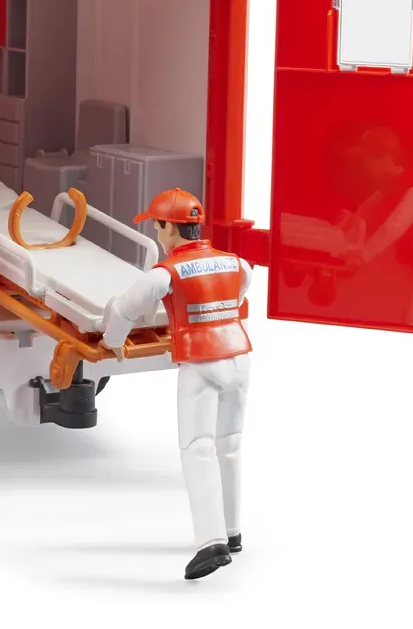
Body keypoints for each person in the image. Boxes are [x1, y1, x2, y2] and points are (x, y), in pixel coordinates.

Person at [101, 189, 252, 580]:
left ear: (170, 227)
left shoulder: (166, 273)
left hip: (201, 363)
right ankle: (232, 532)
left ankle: (211, 544)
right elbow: (237, 294)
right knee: (230, 444)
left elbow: (123, 309)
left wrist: (113, 342)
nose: (156, 233)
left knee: (197, 449)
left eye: (157, 226)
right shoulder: (235, 262)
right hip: (239, 357)